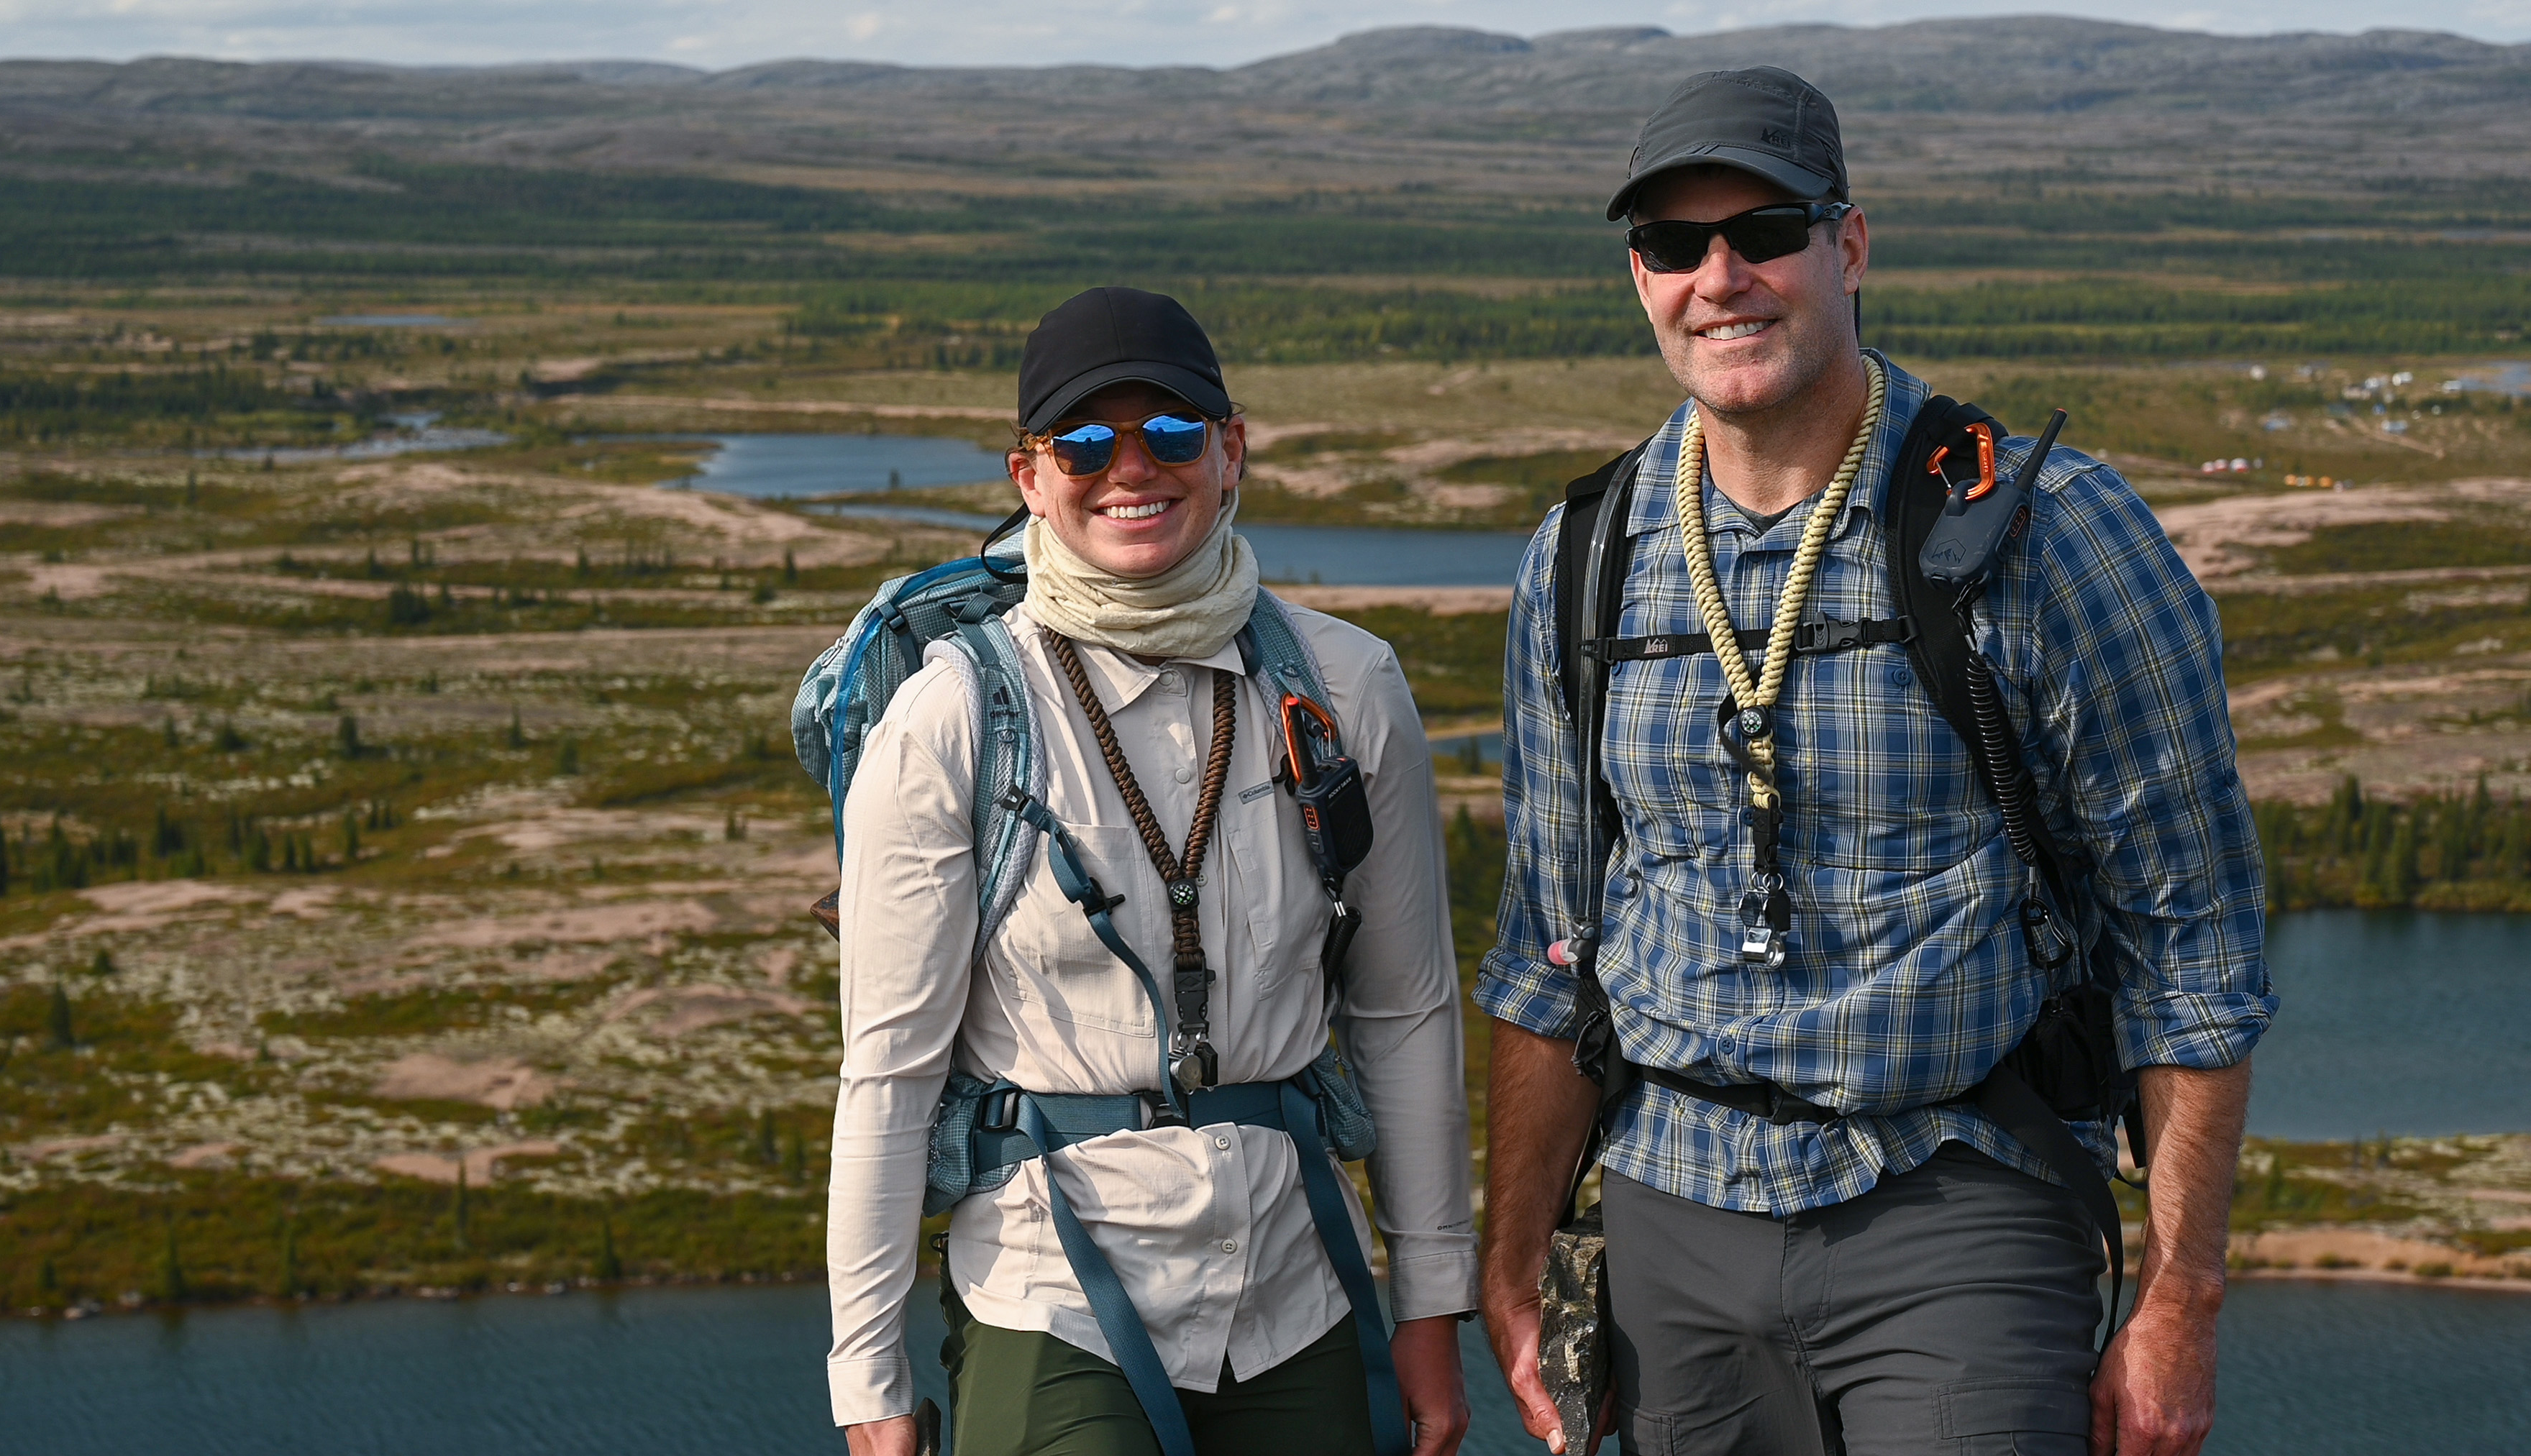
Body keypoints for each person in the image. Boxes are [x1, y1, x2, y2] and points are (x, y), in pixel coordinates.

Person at [1474, 69, 2274, 1456]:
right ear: (1637, 277)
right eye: (1673, 245)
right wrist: (1513, 1253)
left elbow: (2191, 942)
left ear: (1849, 245)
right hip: (1672, 1224)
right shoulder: (1583, 558)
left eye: (1764, 229)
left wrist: (2181, 1293)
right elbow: (1551, 946)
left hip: (1958, 1200)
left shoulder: (2054, 533)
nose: (1719, 277)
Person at [826, 287, 1474, 1456]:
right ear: (1029, 477)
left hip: (1296, 1286)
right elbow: (890, 1065)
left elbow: (1406, 1008)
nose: (1132, 467)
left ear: (1232, 452)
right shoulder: (954, 718)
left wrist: (1432, 1302)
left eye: (1171, 432)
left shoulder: (1345, 687)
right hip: (1053, 1287)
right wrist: (868, 1381)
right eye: (1084, 442)